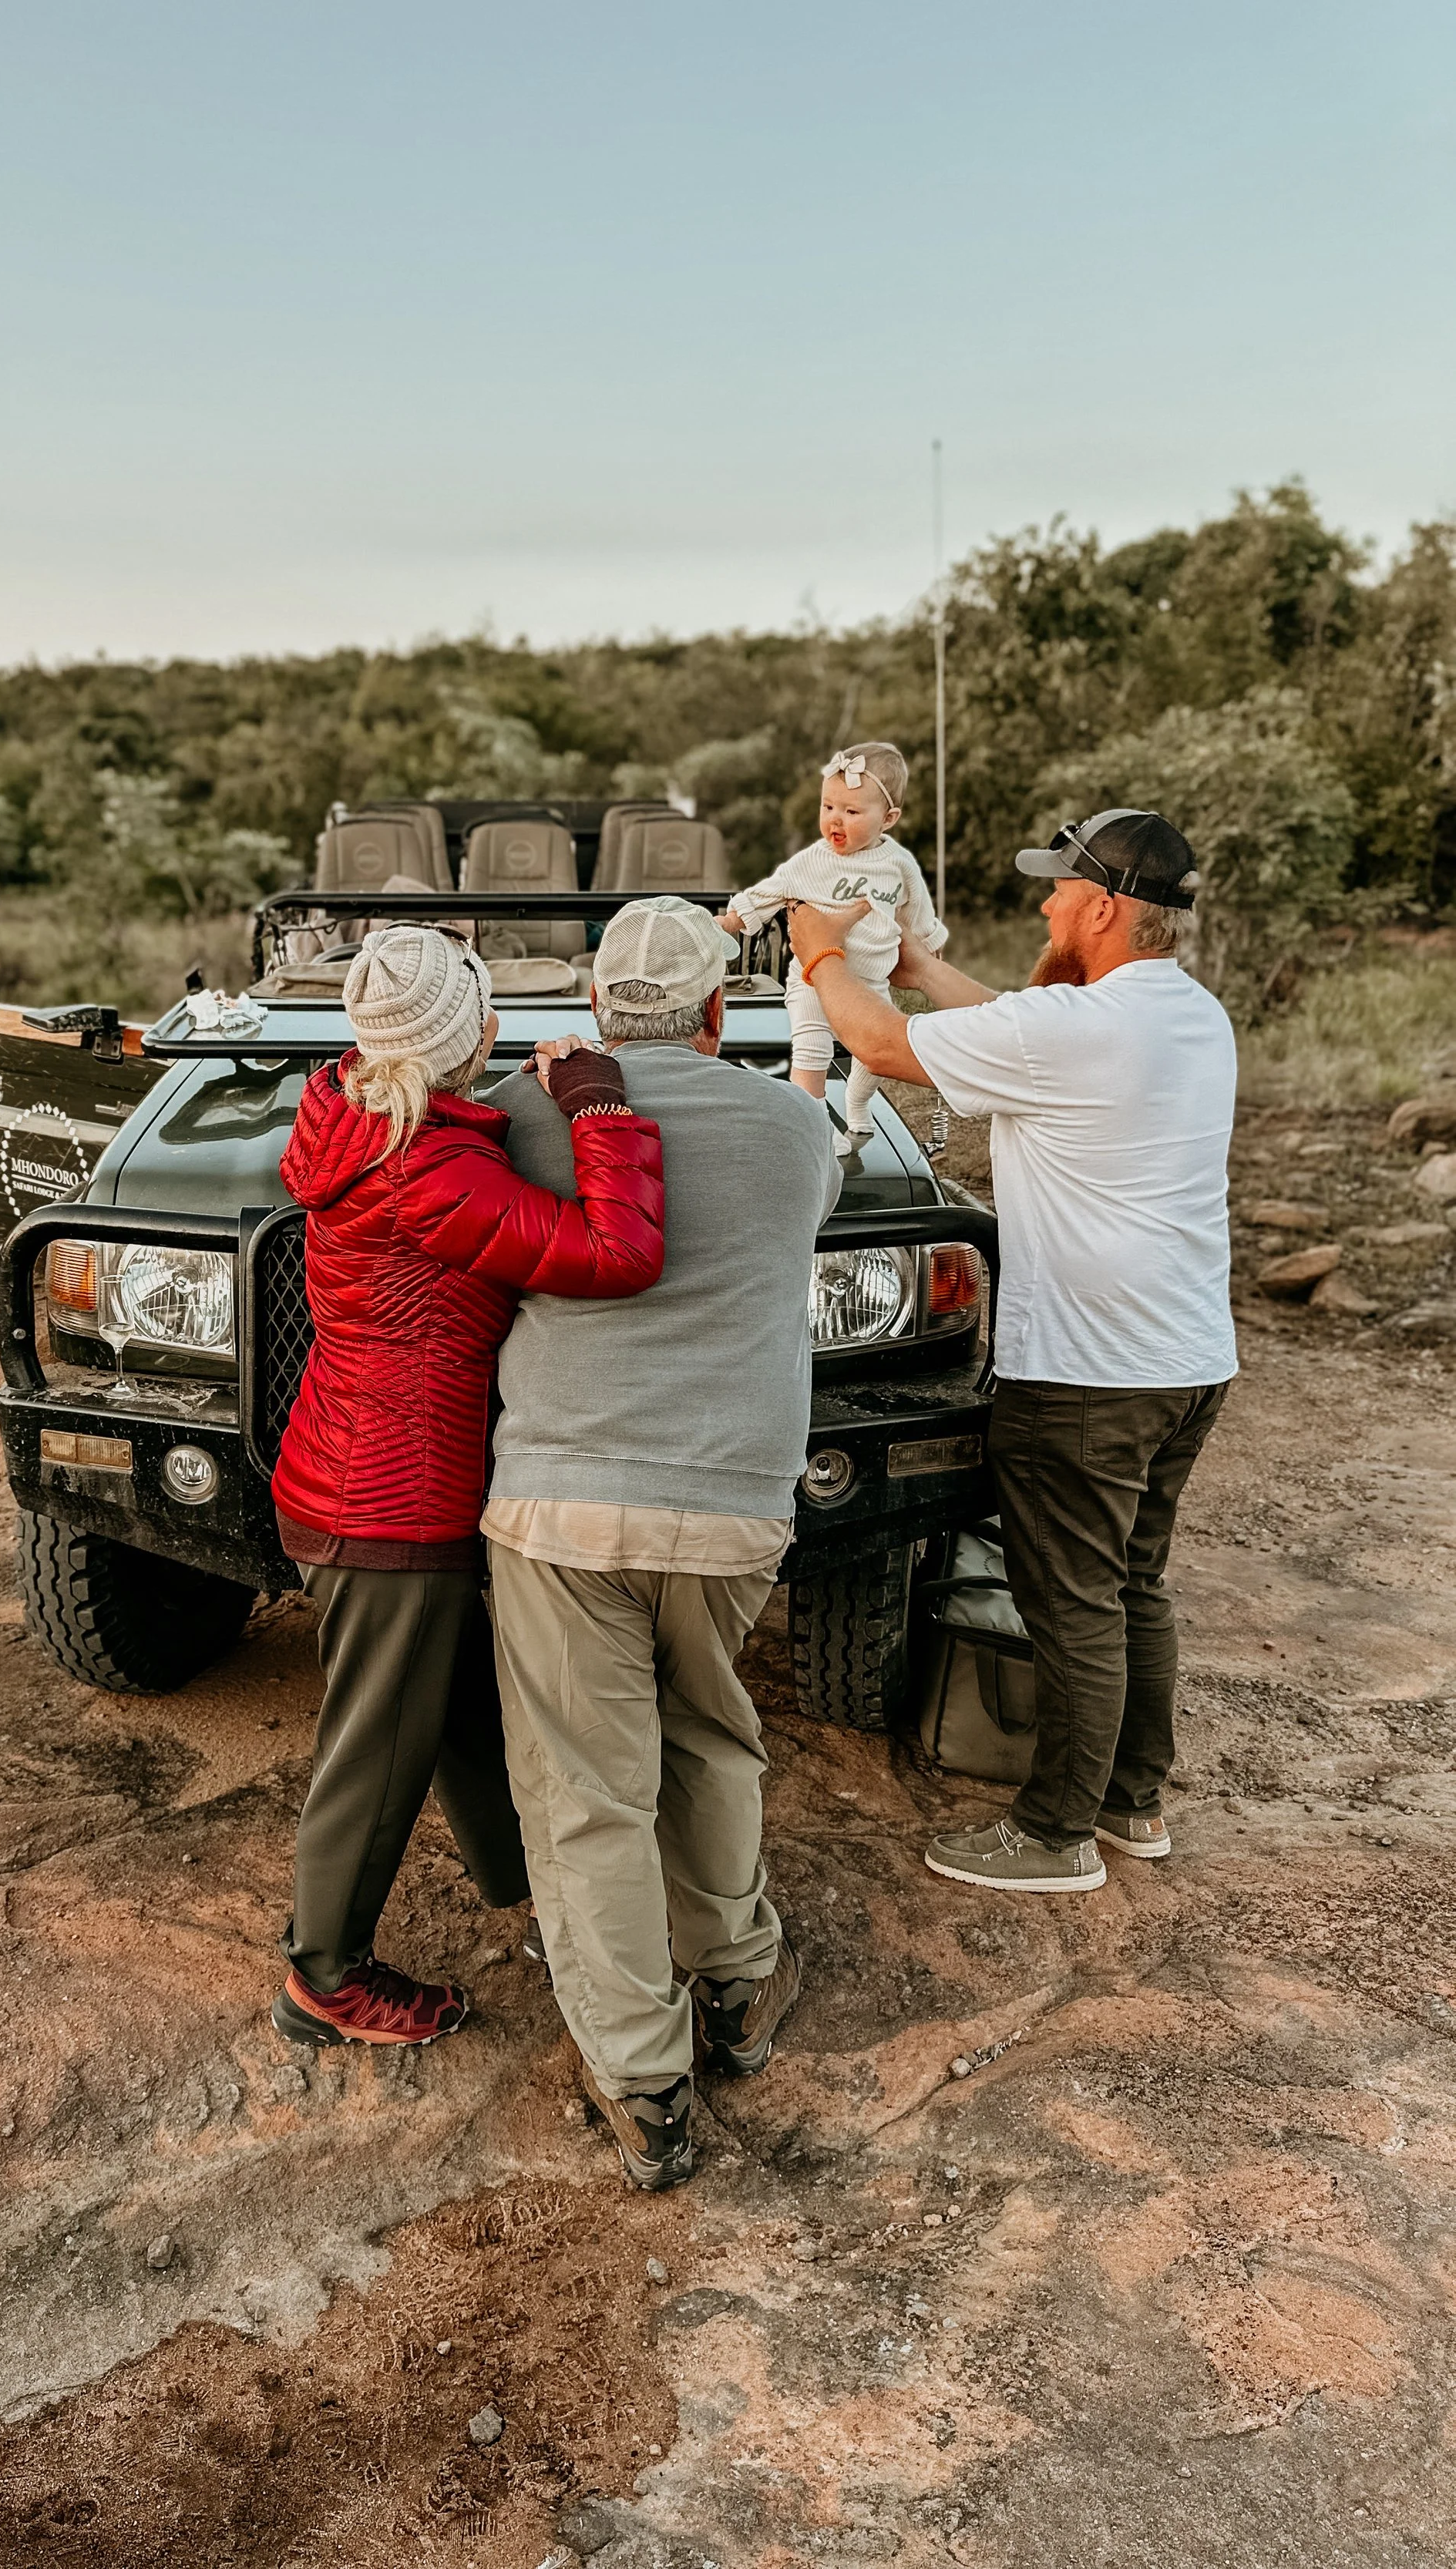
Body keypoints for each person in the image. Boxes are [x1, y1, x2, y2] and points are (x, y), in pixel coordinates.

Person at [787, 808, 1236, 1893]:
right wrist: (927, 960)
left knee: (1072, 1599)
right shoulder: (1188, 1015)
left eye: (1055, 890)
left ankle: (1056, 1833)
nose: (1043, 904)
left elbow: (884, 1045)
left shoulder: (1077, 1032)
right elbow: (1008, 1023)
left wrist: (820, 951)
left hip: (1089, 1371)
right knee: (1133, 1584)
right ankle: (1133, 1803)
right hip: (1187, 1361)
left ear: (1104, 908)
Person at [481, 895, 840, 2188]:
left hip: (562, 1505)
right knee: (710, 1730)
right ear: (716, 1011)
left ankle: (642, 2076)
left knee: (589, 1790)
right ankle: (740, 1982)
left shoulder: (523, 1120)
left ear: (592, 1014)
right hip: (737, 1503)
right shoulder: (798, 1129)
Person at [268, 924, 666, 2049]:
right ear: (472, 1035)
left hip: (348, 1463)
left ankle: (524, 1883)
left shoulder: (357, 1116)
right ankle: (324, 1976)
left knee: (444, 1704)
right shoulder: (426, 1169)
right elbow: (616, 1253)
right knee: (377, 1742)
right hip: (393, 1495)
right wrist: (597, 1108)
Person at [718, 742, 946, 1136]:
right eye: (828, 808)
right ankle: (812, 1130)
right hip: (812, 976)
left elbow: (918, 913)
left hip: (870, 983)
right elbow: (771, 891)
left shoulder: (898, 864)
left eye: (852, 811)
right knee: (811, 1048)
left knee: (874, 1057)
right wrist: (730, 922)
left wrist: (931, 950)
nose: (835, 820)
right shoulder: (813, 861)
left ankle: (857, 1105)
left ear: (888, 819)